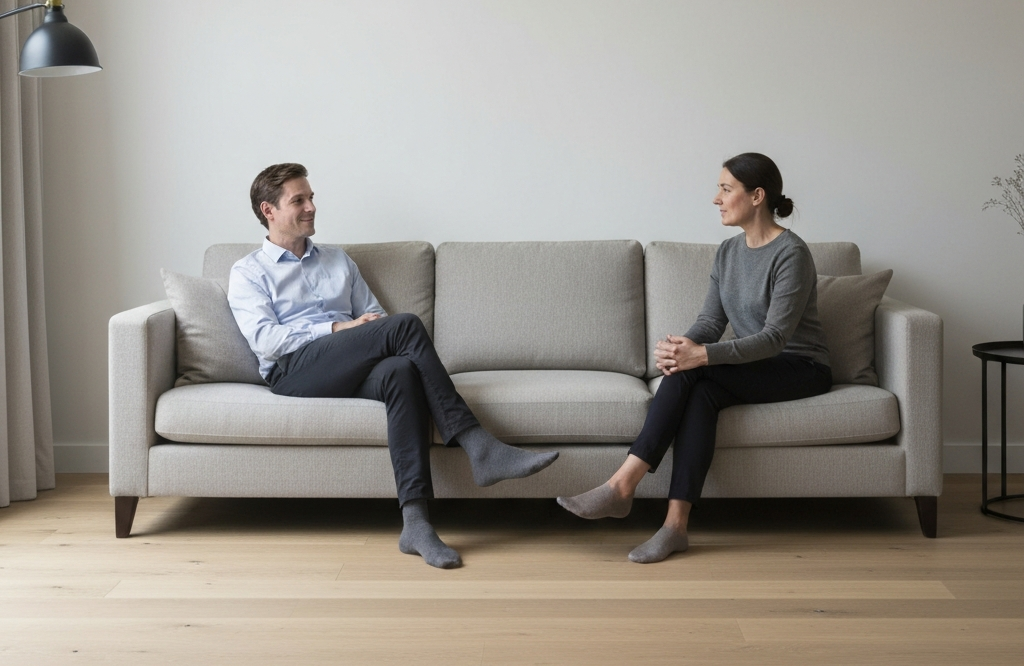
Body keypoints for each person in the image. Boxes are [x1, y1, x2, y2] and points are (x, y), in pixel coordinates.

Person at [228, 162, 558, 569]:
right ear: (269, 211)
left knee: (401, 371)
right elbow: (266, 340)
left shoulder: (336, 260)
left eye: (312, 197)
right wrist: (340, 328)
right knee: (405, 326)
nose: (312, 206)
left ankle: (416, 523)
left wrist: (361, 330)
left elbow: (373, 316)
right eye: (299, 200)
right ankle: (478, 444)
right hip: (292, 370)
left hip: (343, 363)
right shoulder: (248, 272)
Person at [557, 153, 832, 562]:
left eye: (725, 189)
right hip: (756, 362)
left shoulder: (791, 253)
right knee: (697, 387)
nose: (715, 199)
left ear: (757, 196)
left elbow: (774, 338)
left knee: (694, 373)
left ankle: (621, 487)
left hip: (801, 366)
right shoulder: (727, 252)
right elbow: (710, 321)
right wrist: (682, 347)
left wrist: (701, 356)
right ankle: (674, 527)